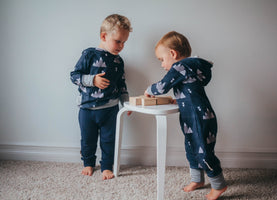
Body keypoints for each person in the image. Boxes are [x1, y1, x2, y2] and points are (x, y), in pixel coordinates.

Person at [144, 31, 227, 200]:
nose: (162, 65)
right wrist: (180, 100)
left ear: (173, 54)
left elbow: (162, 87)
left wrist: (149, 90)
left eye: (162, 59)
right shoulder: (190, 69)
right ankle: (197, 180)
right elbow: (192, 88)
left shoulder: (179, 67)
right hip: (194, 116)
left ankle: (219, 185)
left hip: (198, 118)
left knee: (203, 152)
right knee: (191, 149)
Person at [70, 14, 132, 180]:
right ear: (104, 36)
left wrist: (126, 103)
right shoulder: (90, 54)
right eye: (118, 41)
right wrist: (93, 80)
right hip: (87, 108)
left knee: (109, 140)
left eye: (124, 42)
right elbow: (74, 76)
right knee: (87, 140)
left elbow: (121, 84)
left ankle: (106, 166)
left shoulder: (119, 61)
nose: (121, 46)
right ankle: (88, 163)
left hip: (110, 109)